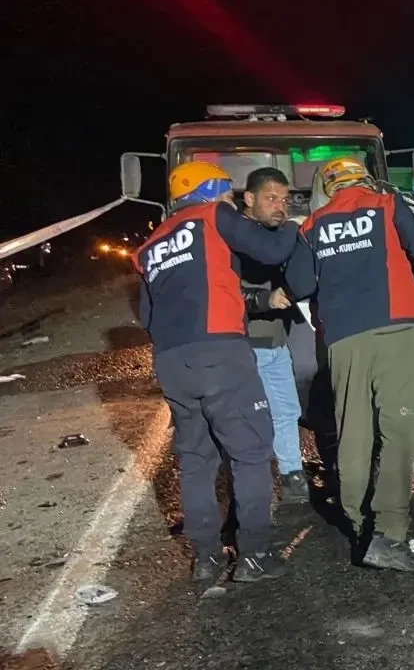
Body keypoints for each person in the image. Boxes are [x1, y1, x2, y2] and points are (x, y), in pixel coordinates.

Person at [134, 161, 300, 583]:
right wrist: (294, 223)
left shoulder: (152, 244)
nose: (230, 200)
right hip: (220, 351)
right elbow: (272, 250)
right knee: (250, 454)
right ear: (209, 192)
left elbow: (148, 315)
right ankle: (256, 556)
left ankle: (205, 558)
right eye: (226, 193)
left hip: (172, 360)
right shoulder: (211, 215)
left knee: (194, 463)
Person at [285, 158, 414, 572]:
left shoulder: (311, 227)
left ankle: (359, 522)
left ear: (328, 187)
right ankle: (388, 531)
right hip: (396, 332)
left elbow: (301, 286)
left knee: (353, 433)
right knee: (399, 432)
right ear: (367, 180)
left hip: (344, 342)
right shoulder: (389, 206)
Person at [237, 167, 308, 503]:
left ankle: (293, 475)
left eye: (284, 198)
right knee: (252, 416)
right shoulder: (234, 236)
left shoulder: (274, 234)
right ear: (249, 199)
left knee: (286, 410)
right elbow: (224, 291)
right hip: (244, 344)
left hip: (275, 339)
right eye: (271, 198)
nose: (281, 205)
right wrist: (264, 299)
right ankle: (251, 488)